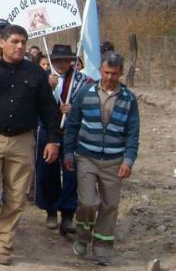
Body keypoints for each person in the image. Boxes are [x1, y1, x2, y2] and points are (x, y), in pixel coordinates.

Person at [0, 24, 61, 266]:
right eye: (15, 41)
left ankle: (3, 243)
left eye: (23, 42)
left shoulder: (35, 72)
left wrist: (53, 140)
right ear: (2, 42)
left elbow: (48, 109)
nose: (19, 46)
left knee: (16, 197)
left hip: (22, 140)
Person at [64, 52, 140, 266]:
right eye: (106, 72)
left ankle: (102, 248)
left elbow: (133, 133)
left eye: (114, 73)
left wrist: (128, 160)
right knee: (88, 202)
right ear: (100, 71)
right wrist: (68, 152)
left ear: (121, 73)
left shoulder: (129, 99)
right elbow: (72, 124)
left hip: (114, 161)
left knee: (109, 206)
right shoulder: (86, 93)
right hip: (87, 157)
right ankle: (82, 236)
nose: (110, 77)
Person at [36, 44, 92, 236]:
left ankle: (68, 214)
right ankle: (51, 210)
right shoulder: (42, 79)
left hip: (72, 132)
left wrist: (74, 108)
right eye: (57, 60)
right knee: (47, 172)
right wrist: (49, 95)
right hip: (47, 130)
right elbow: (34, 105)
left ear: (71, 61)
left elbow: (91, 105)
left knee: (71, 172)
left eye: (65, 60)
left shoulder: (83, 81)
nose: (61, 64)